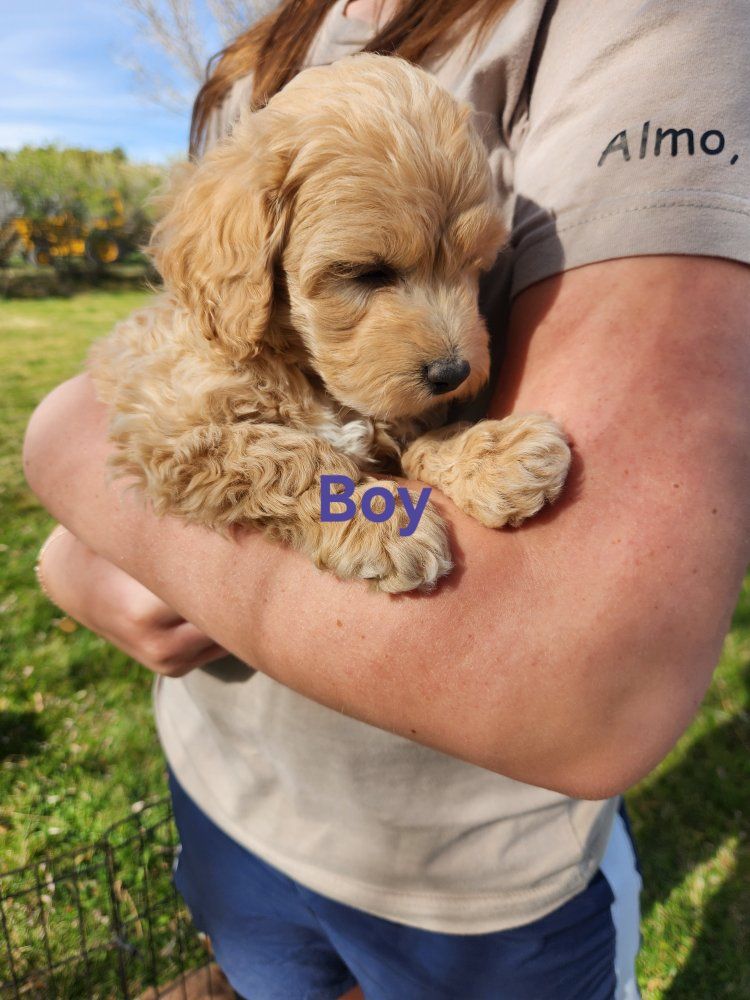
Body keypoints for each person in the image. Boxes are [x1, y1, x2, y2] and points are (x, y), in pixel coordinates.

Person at [24, 1, 750, 997]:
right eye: (370, 272)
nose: (452, 344)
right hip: (227, 801)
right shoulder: (269, 63)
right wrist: (353, 510)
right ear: (248, 263)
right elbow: (175, 440)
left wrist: (445, 459)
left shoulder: (645, 30)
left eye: (471, 266)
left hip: (469, 886)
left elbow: (595, 687)